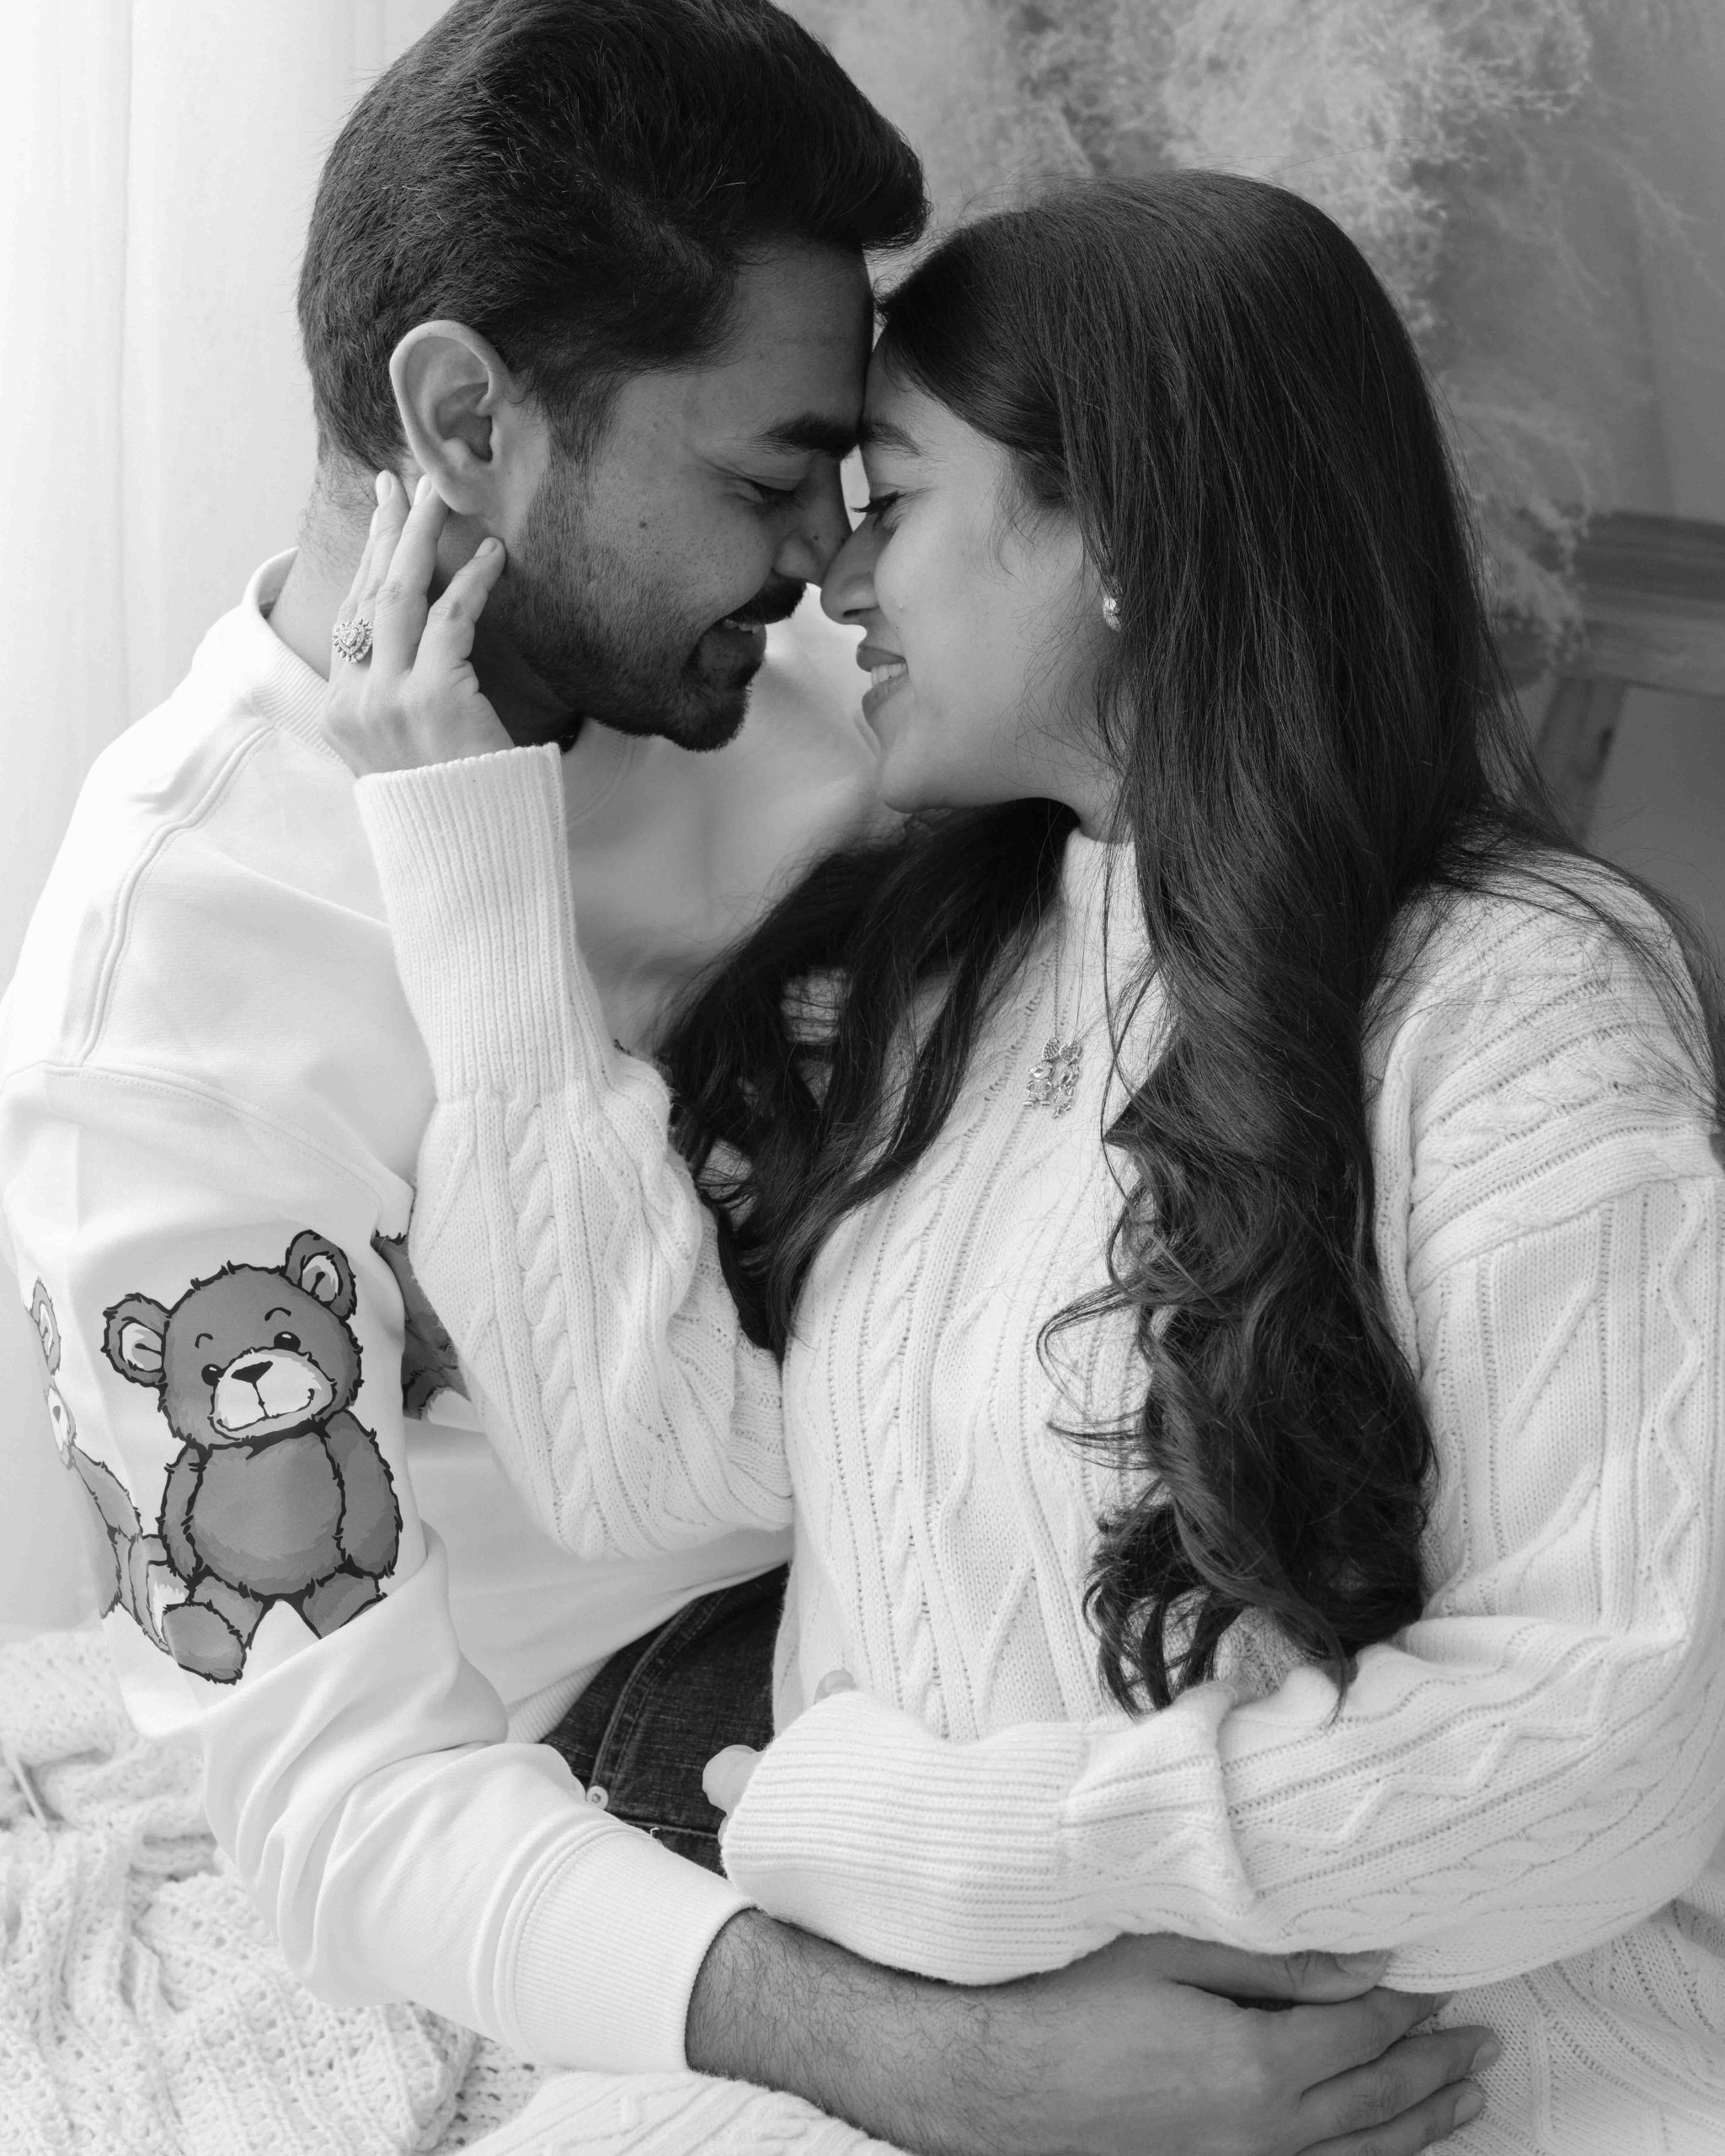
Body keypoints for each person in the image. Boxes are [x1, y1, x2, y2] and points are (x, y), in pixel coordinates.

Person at [0, 5, 1488, 2150]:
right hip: (654, 1721)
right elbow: (332, 1786)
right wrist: (938, 2060)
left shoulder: (824, 704)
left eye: (851, 481)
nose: (820, 560)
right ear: (464, 419)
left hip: (1055, 1558)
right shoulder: (171, 991)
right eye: (765, 476)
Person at [323, 172, 1725, 2153]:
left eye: (892, 496)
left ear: (1122, 534)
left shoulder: (1515, 992)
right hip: (986, 2074)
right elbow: (644, 1465)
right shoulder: (927, 984)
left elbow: (1605, 1736)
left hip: (1431, 2073)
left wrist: (939, 1843)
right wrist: (467, 864)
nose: (834, 572)